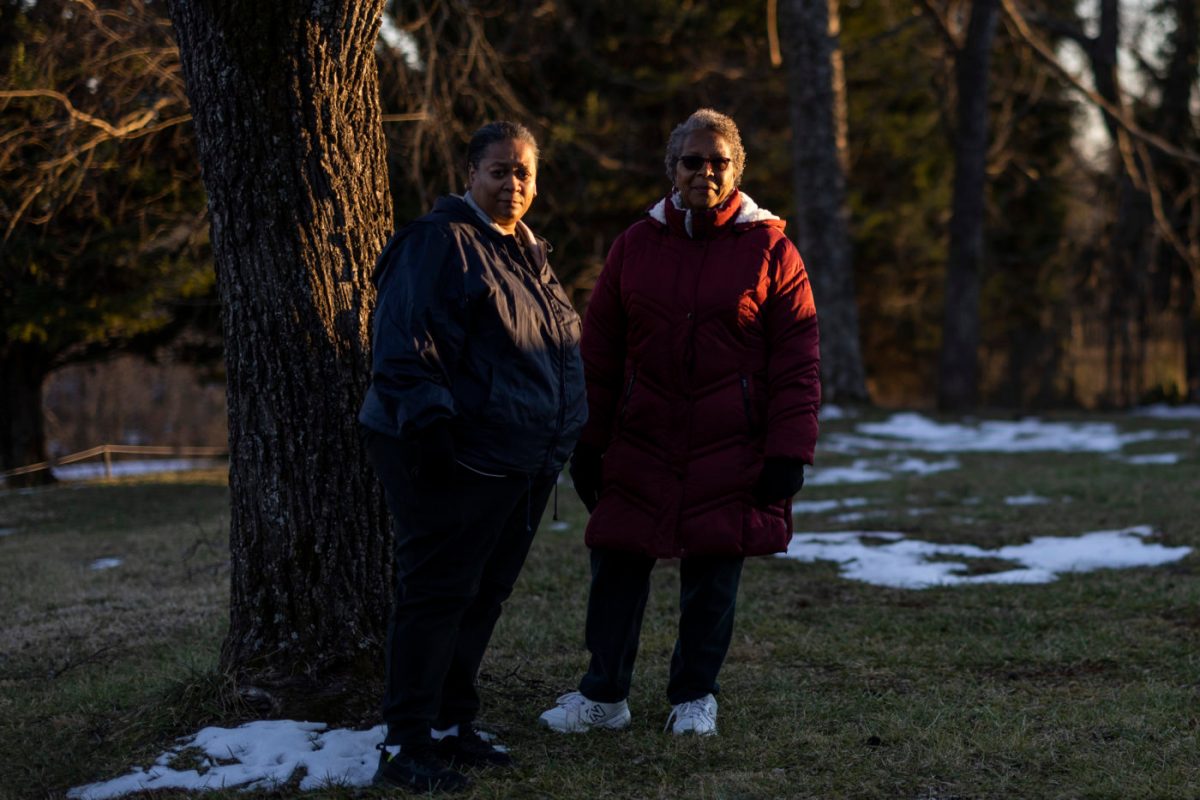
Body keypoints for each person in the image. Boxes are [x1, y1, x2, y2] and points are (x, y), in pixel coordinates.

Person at [539, 108, 820, 738]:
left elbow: (799, 358)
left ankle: (695, 697)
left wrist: (789, 450)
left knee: (713, 575)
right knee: (615, 565)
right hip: (641, 439)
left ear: (737, 170)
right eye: (693, 161)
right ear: (672, 169)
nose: (706, 173)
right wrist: (587, 441)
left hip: (733, 443)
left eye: (719, 162)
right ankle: (603, 695)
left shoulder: (773, 248)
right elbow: (601, 353)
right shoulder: (635, 245)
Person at [359, 120, 586, 792]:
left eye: (524, 173)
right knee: (435, 595)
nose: (512, 183)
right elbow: (403, 343)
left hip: (519, 462)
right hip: (451, 455)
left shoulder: (529, 253)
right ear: (470, 175)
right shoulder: (440, 243)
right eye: (499, 170)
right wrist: (430, 431)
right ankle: (407, 743)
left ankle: (454, 725)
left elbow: (555, 355)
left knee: (483, 594)